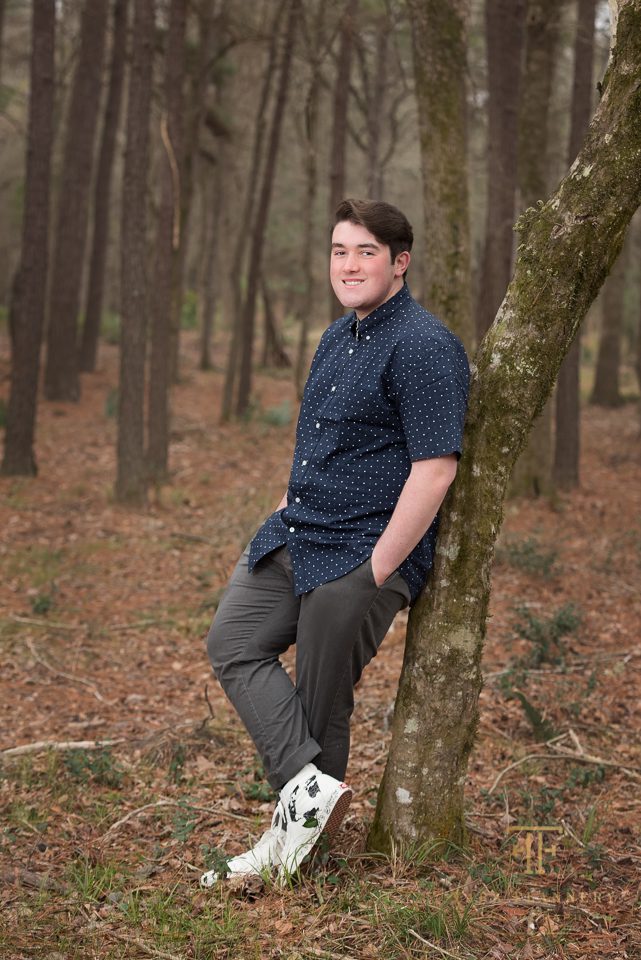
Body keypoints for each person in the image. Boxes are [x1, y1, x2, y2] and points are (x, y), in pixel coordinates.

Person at [200, 198, 470, 887]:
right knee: (233, 641)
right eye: (338, 251)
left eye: (365, 253)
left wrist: (375, 569)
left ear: (399, 262)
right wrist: (284, 507)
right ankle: (307, 791)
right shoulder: (334, 337)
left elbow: (435, 467)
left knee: (322, 701)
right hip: (299, 531)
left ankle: (295, 855)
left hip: (364, 550)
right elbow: (321, 441)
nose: (348, 265)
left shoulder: (424, 345)